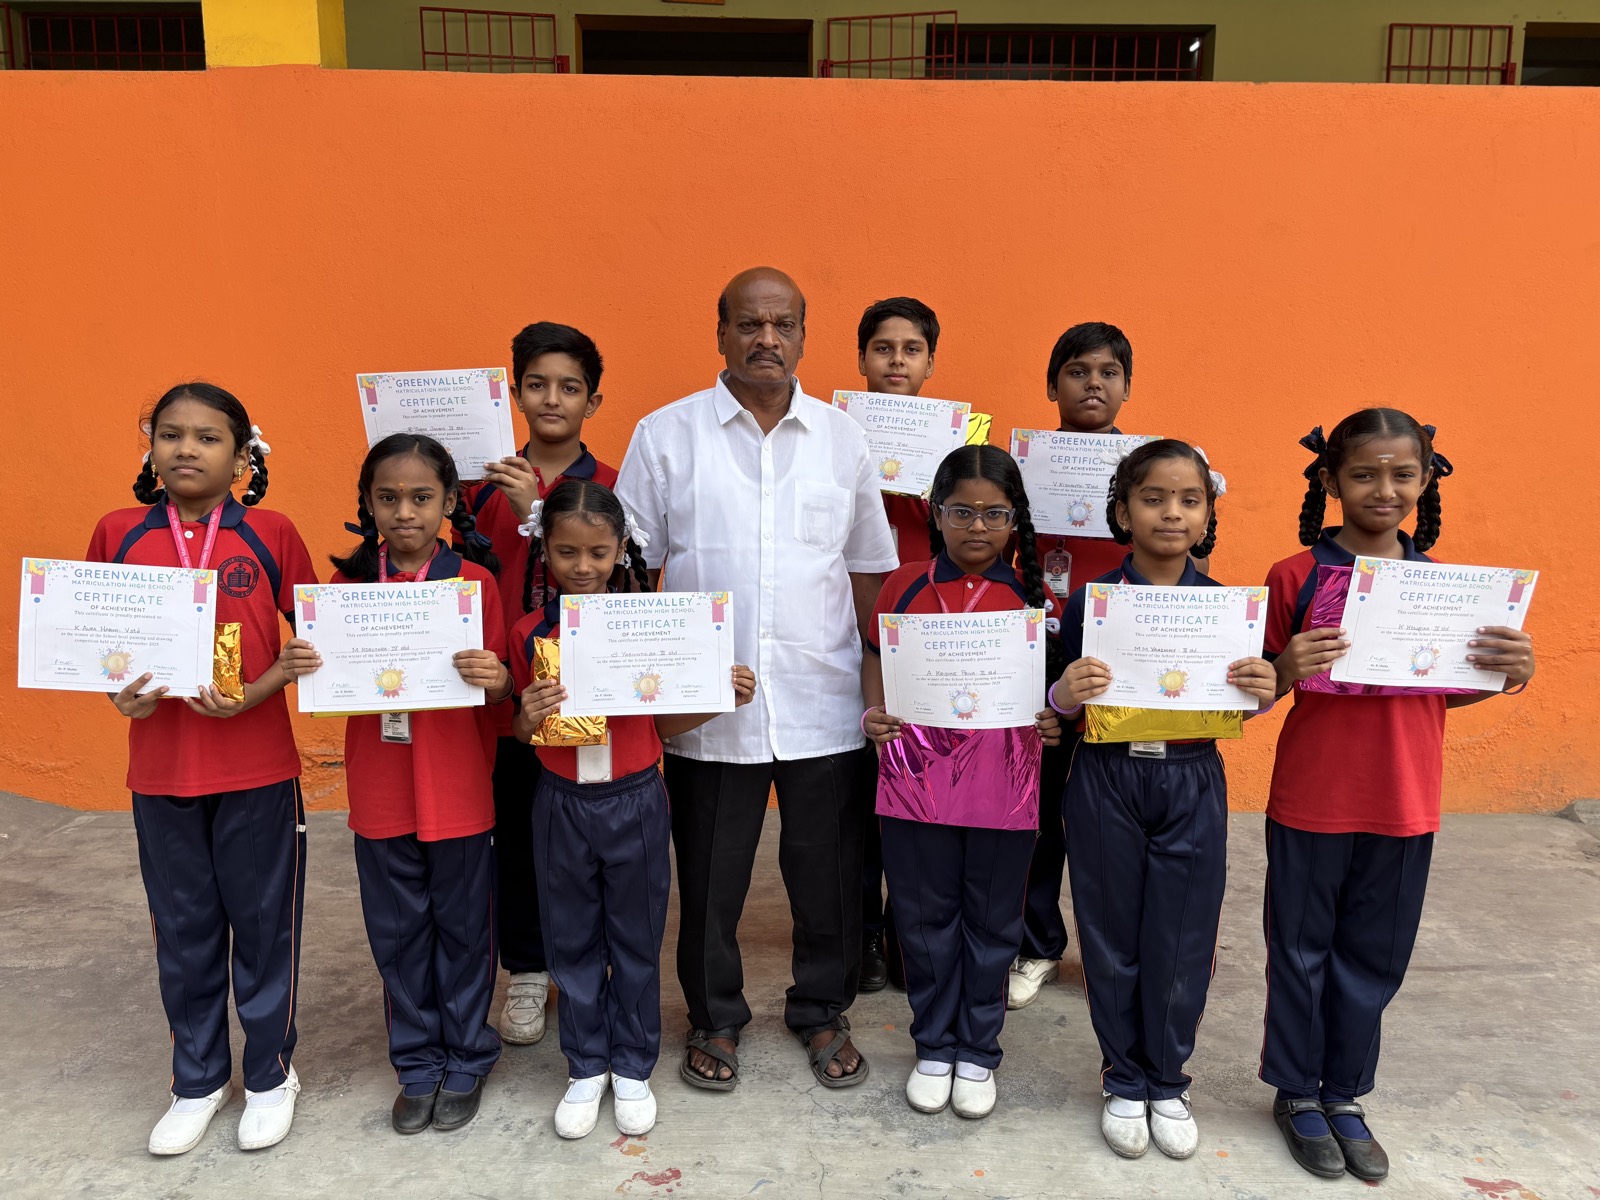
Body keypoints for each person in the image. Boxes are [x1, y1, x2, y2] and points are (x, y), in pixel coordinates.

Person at [614, 266, 898, 1092]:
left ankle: (821, 1009)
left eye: (783, 325)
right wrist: (660, 683)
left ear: (805, 336)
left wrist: (879, 691)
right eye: (748, 324)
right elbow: (627, 571)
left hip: (824, 699)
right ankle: (715, 1017)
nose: (766, 339)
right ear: (720, 334)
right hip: (709, 710)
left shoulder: (843, 439)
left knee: (831, 877)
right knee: (709, 879)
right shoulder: (665, 435)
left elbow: (869, 571)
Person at [1260, 410, 1535, 1182]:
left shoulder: (1446, 588)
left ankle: (1344, 1093)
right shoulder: (1296, 575)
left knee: (1374, 958)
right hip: (1311, 798)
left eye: (1402, 474)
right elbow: (1251, 696)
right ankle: (1294, 1093)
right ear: (1332, 481)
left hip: (1406, 800)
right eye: (1364, 474)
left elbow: (1440, 694)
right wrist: (1286, 664)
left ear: (1426, 479)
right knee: (1301, 951)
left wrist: (1512, 671)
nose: (1385, 489)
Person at [86, 382, 313, 1156]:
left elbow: (313, 645)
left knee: (262, 928)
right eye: (172, 434)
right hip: (161, 774)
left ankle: (272, 1073)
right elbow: (95, 646)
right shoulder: (117, 532)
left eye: (209, 437)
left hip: (257, 770)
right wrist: (121, 698)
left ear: (243, 454)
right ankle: (196, 1079)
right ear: (149, 446)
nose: (188, 449)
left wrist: (263, 687)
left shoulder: (272, 533)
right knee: (181, 932)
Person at [508, 479, 757, 1138]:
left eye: (597, 551)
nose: (583, 567)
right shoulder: (529, 632)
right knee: (572, 939)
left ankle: (633, 1066)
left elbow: (665, 724)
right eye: (566, 552)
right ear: (545, 551)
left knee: (636, 937)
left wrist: (720, 696)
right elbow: (521, 735)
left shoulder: (652, 626)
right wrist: (526, 719)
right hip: (561, 802)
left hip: (635, 798)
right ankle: (586, 1066)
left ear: (622, 549)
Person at [1052, 439, 1276, 1161]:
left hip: (1191, 776)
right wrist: (1064, 693)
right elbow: (1053, 699)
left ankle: (1167, 1079)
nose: (1171, 513)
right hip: (1106, 775)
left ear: (1209, 515)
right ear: (1122, 511)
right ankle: (1123, 1077)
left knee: (1182, 939)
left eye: (1189, 500)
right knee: (1112, 934)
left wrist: (1262, 692)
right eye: (1153, 498)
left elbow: (1233, 709)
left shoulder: (1228, 611)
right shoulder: (1094, 601)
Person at [282, 434, 510, 1135]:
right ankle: (417, 1061)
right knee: (398, 930)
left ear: (448, 503)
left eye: (421, 498)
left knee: (465, 928)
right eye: (388, 498)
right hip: (381, 789)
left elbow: (505, 690)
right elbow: (327, 683)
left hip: (459, 785)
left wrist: (497, 677)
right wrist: (304, 661)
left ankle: (468, 1054)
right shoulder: (344, 592)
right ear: (368, 504)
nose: (404, 512)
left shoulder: (474, 584)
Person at [861, 445, 1062, 1119]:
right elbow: (872, 656)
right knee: (923, 921)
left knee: (993, 922)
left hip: (1005, 789)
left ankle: (977, 1049)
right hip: (915, 784)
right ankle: (933, 1044)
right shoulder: (904, 587)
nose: (978, 526)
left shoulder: (1031, 598)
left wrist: (1055, 718)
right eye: (961, 511)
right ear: (935, 514)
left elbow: (1053, 696)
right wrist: (873, 710)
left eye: (995, 513)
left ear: (1016, 519)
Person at [468, 322, 618, 1047]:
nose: (552, 399)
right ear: (514, 391)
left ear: (593, 398)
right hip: (505, 691)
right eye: (537, 384)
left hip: (588, 700)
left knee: (589, 842)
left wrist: (542, 507)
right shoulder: (480, 484)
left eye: (569, 387)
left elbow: (622, 585)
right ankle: (527, 968)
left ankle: (591, 961)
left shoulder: (613, 486)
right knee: (519, 835)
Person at [853, 294, 941, 993]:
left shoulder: (952, 447)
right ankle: (862, 934)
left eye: (911, 350)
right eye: (884, 348)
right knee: (854, 792)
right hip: (850, 627)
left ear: (930, 363)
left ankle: (908, 928)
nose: (896, 361)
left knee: (917, 786)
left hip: (924, 632)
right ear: (862, 359)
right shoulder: (834, 434)